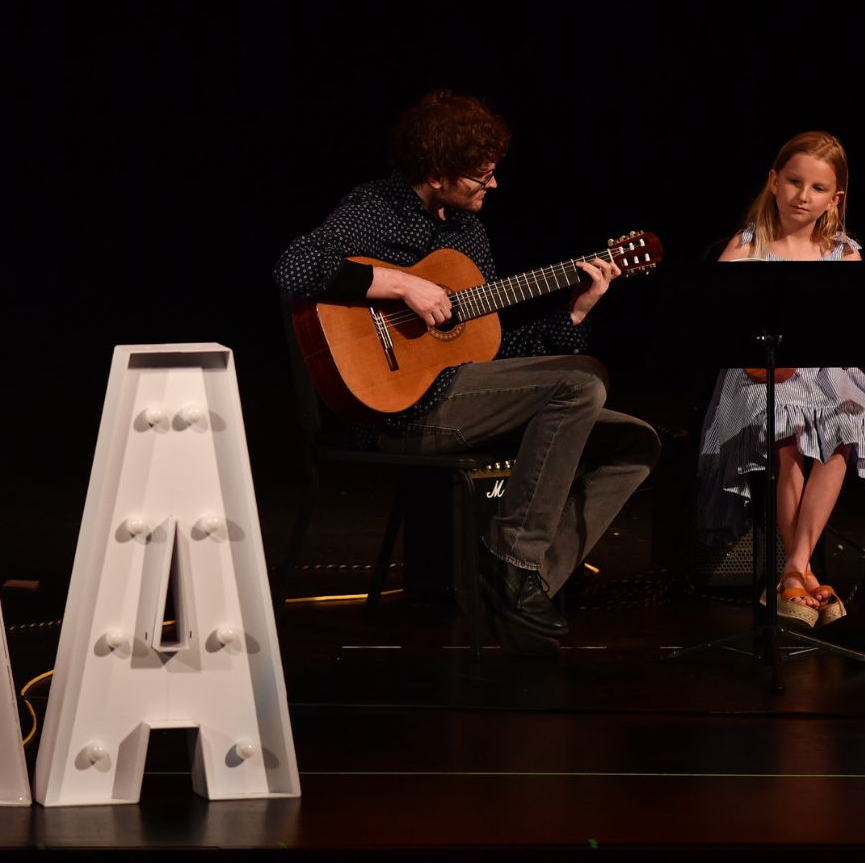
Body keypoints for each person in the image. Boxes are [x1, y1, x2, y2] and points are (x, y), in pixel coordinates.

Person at [273, 89, 660, 653]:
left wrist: (576, 308)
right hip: (399, 412)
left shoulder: (465, 234)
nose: (493, 186)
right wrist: (403, 283)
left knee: (635, 443)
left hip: (458, 393)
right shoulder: (375, 208)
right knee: (580, 382)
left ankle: (521, 581)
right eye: (481, 177)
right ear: (435, 173)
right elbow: (296, 266)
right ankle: (510, 563)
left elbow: (492, 349)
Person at [697, 130, 865, 628]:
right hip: (759, 374)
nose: (802, 196)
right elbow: (715, 311)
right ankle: (801, 572)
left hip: (827, 375)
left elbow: (853, 335)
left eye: (817, 188)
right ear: (773, 181)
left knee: (848, 421)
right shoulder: (748, 245)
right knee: (786, 428)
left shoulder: (843, 253)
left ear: (836, 199)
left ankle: (792, 570)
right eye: (793, 182)